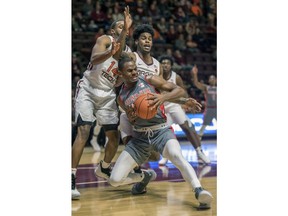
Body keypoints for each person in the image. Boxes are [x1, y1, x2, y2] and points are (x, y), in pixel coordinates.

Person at [109, 55, 213, 210]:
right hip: (140, 138)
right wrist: (131, 117)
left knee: (177, 156)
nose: (134, 72)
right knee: (114, 180)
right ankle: (146, 176)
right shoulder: (121, 97)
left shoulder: (149, 79)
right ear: (121, 74)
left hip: (161, 131)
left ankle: (199, 190)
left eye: (135, 69)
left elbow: (179, 90)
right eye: (129, 71)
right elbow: (132, 118)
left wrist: (164, 97)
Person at [72, 6, 132, 200]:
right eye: (121, 26)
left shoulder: (128, 54)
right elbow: (95, 58)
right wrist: (109, 53)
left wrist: (122, 79)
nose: (125, 28)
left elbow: (118, 81)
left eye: (126, 26)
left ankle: (104, 168)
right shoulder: (105, 40)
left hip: (107, 94)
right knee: (84, 131)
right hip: (88, 89)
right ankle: (71, 178)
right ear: (114, 30)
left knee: (113, 137)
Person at [157, 55, 211, 165]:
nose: (165, 65)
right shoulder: (156, 76)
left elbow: (184, 92)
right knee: (164, 133)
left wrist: (185, 103)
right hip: (162, 107)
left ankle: (199, 152)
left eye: (167, 63)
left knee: (187, 127)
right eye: (163, 63)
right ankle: (166, 155)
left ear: (171, 65)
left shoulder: (176, 77)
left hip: (174, 105)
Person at [191, 65, 217, 140]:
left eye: (213, 78)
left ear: (216, 80)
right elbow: (196, 83)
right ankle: (198, 139)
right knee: (204, 124)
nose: (212, 80)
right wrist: (195, 74)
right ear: (208, 80)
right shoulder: (206, 87)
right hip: (209, 109)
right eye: (211, 79)